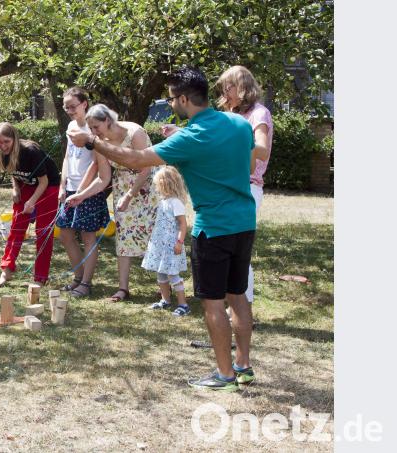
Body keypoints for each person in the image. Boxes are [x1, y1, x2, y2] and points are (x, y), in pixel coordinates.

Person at [68, 66, 256, 391]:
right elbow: (250, 163)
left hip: (214, 229)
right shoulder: (239, 123)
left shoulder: (191, 137)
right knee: (237, 297)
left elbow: (136, 160)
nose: (170, 104)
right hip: (245, 224)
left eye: (171, 99)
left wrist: (92, 142)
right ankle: (243, 365)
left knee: (213, 303)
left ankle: (225, 375)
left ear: (184, 98)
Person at [76, 104, 158, 302]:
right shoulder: (100, 143)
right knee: (124, 237)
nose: (94, 132)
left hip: (148, 187)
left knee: (155, 234)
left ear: (107, 120)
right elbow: (103, 179)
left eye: (96, 127)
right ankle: (123, 289)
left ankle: (164, 286)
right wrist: (81, 195)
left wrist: (130, 195)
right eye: (91, 129)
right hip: (122, 187)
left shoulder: (135, 132)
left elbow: (146, 167)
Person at [216, 65, 273, 303]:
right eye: (223, 87)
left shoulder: (259, 113)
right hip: (226, 186)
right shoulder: (232, 114)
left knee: (239, 253)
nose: (224, 92)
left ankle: (243, 307)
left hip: (247, 187)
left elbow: (262, 150)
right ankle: (235, 306)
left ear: (242, 86)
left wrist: (239, 141)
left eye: (228, 86)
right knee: (227, 250)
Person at [56, 87, 111, 298]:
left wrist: (81, 191)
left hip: (88, 191)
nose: (69, 110)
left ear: (84, 104)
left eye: (73, 106)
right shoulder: (71, 126)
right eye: (66, 107)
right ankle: (78, 278)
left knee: (88, 237)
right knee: (65, 234)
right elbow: (68, 157)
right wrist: (63, 185)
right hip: (70, 188)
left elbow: (97, 165)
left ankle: (86, 284)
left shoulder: (94, 128)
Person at [0, 122, 61, 286]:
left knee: (43, 232)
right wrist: (15, 188)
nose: (3, 146)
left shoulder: (31, 152)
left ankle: (40, 277)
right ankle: (6, 270)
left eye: (6, 142)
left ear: (14, 139)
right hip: (26, 185)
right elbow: (14, 173)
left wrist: (31, 202)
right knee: (16, 228)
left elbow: (43, 182)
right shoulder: (1, 153)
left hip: (48, 186)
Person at [141, 166, 190, 316]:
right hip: (160, 245)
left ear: (165, 184)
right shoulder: (163, 201)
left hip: (171, 245)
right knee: (161, 274)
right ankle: (166, 300)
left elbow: (183, 224)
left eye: (157, 184)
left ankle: (183, 305)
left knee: (173, 274)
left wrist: (179, 242)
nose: (156, 187)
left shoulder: (175, 202)